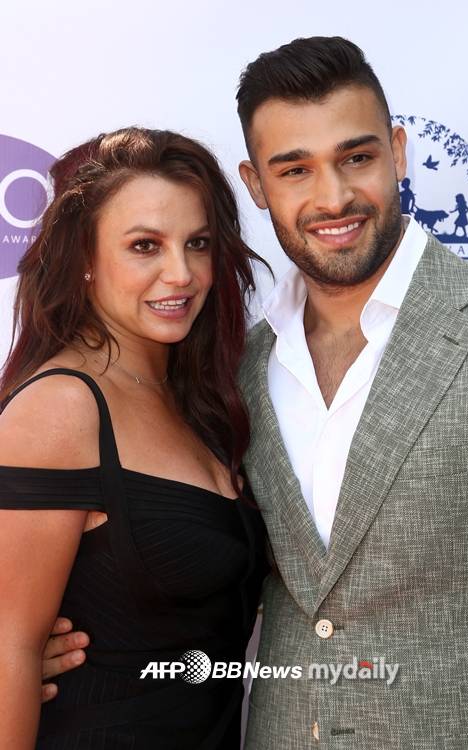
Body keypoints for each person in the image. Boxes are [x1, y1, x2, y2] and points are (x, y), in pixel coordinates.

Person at [42, 38, 468, 748]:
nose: (334, 197)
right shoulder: (230, 371)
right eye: (295, 170)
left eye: (357, 157)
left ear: (398, 151)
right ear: (256, 185)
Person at [0, 127, 268, 748]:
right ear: (85, 258)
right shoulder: (62, 407)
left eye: (198, 243)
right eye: (145, 245)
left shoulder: (201, 399)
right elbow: (10, 647)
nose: (181, 273)